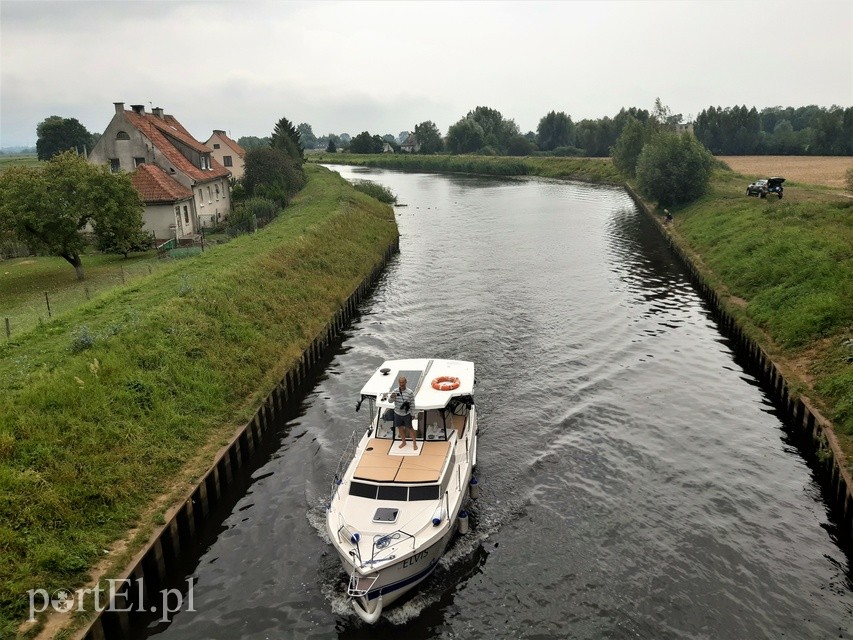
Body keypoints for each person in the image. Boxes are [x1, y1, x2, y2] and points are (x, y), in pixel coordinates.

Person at [391, 376, 417, 450]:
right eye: (400, 382)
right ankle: (403, 442)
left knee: (410, 428)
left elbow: (412, 404)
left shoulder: (410, 392)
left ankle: (414, 443)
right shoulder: (395, 391)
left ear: (406, 382)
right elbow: (390, 401)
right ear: (398, 383)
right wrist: (392, 397)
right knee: (400, 428)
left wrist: (413, 414)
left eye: (403, 382)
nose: (401, 384)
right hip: (397, 413)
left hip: (407, 414)